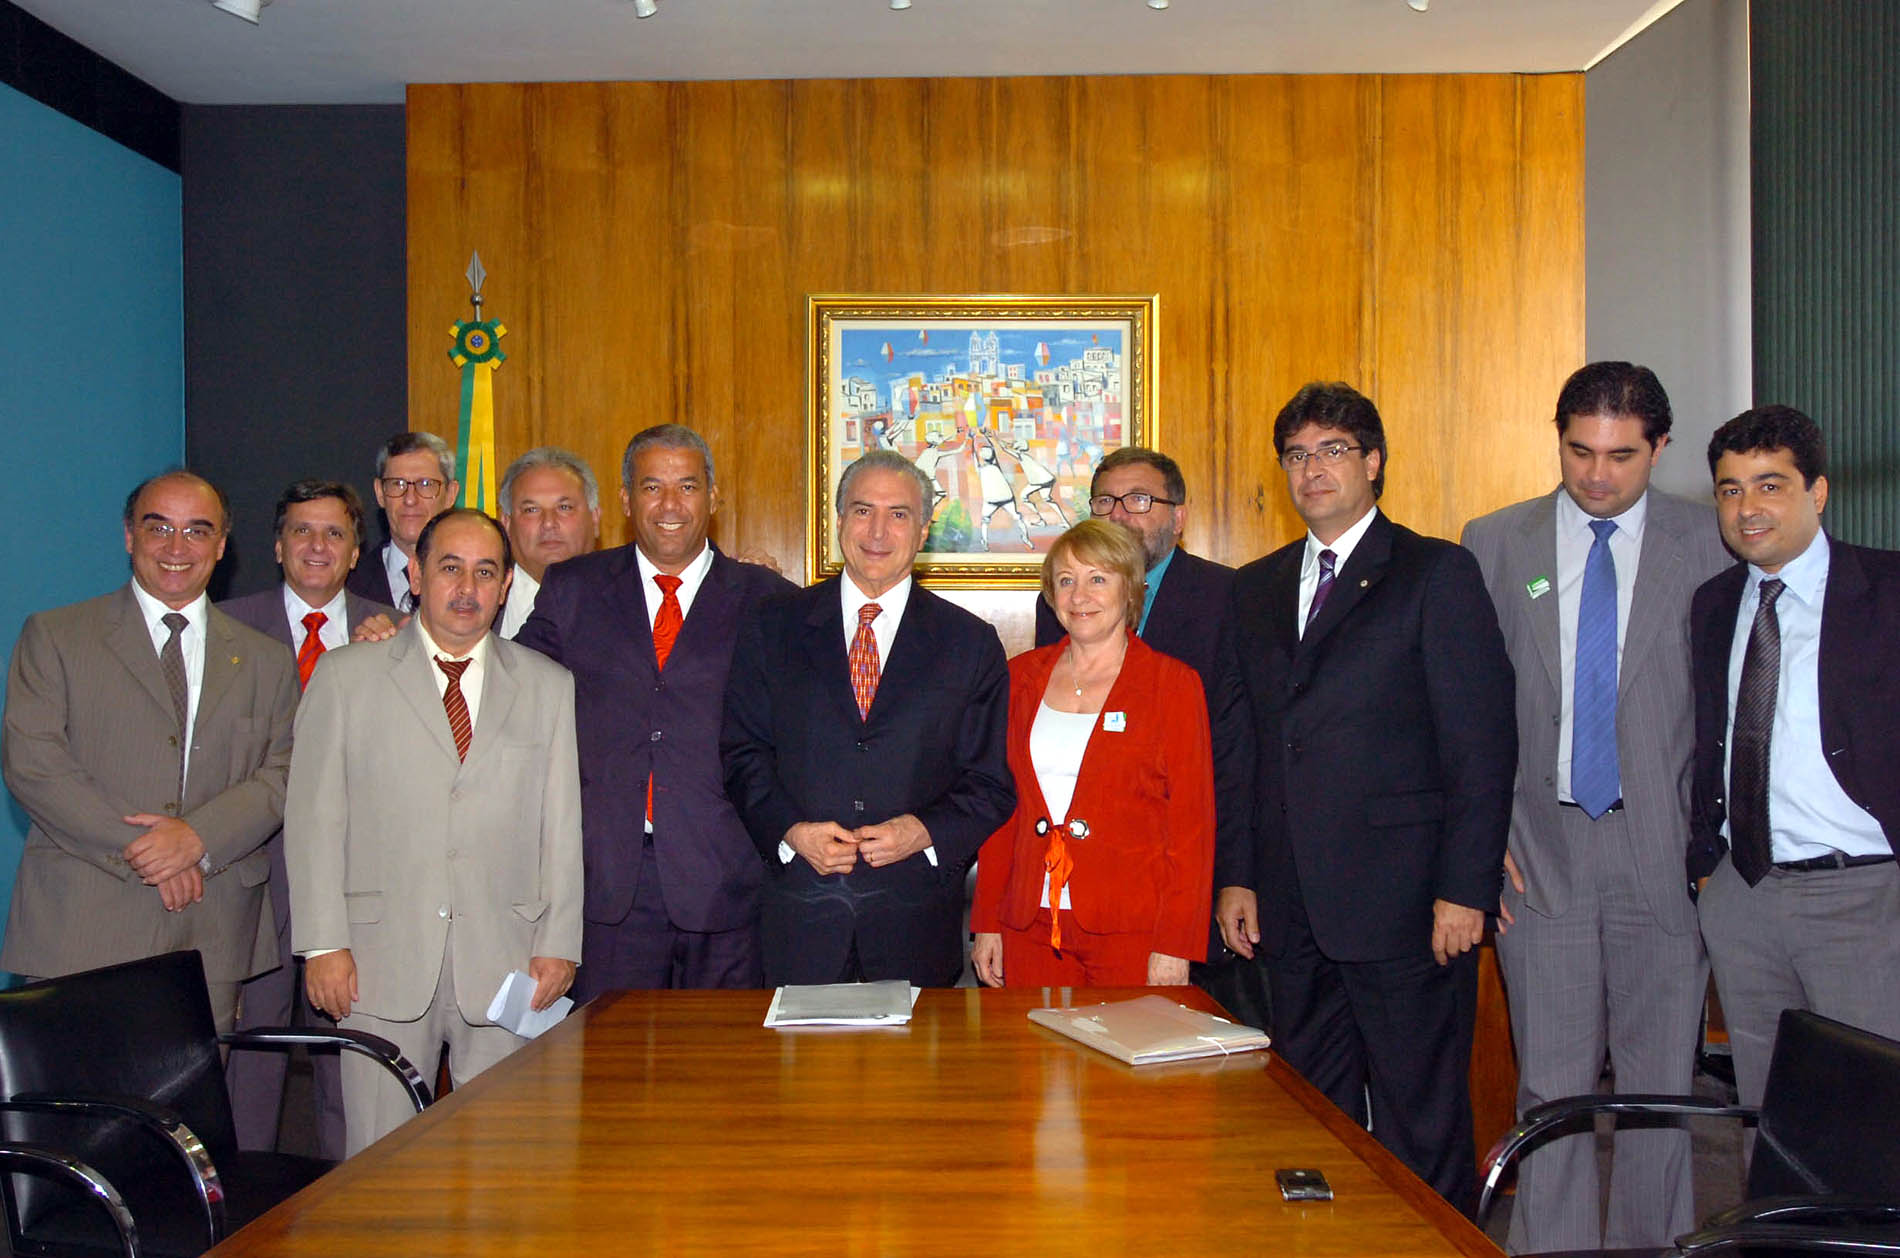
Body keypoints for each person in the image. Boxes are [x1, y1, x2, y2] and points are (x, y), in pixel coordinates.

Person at [1226, 382, 1515, 1213]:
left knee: (1419, 1121)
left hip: (1406, 906)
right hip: (1290, 908)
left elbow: (1481, 742)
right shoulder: (1257, 587)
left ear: (1374, 463)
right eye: (1297, 454)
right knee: (1308, 1122)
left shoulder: (1434, 572)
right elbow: (1246, 748)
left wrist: (1466, 889)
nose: (1313, 469)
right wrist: (1239, 876)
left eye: (1334, 450)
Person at [1461, 363, 1729, 1252]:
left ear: (1660, 447)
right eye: (1579, 451)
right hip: (1541, 857)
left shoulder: (1712, 541)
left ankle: (1657, 1247)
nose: (1597, 475)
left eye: (1621, 455)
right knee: (1553, 1090)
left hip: (1666, 856)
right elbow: (1470, 707)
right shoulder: (1496, 542)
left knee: (1664, 1091)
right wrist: (1481, 839)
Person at [287, 508, 582, 1153]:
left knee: (509, 1171)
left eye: (485, 572)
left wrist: (559, 942)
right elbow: (312, 822)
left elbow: (560, 826)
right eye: (450, 568)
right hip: (375, 965)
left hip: (509, 964)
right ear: (415, 574)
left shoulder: (548, 687)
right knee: (379, 1168)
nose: (467, 589)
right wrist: (322, 944)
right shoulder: (344, 678)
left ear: (507, 586)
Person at [1, 471, 299, 1033]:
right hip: (80, 927)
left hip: (209, 931)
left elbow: (284, 771)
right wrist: (148, 850)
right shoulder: (57, 636)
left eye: (196, 530)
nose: (176, 547)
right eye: (158, 526)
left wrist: (197, 839)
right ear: (128, 535)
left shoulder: (267, 660)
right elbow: (34, 765)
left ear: (222, 543)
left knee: (187, 1119)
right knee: (73, 1114)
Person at [515, 425, 793, 996]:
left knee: (718, 1075)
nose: (670, 505)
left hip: (727, 880)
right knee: (611, 1076)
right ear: (624, 499)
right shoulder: (573, 587)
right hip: (609, 881)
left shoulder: (768, 599)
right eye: (652, 487)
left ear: (713, 499)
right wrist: (412, 633)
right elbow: (507, 684)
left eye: (687, 487)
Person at [722, 450, 1015, 987]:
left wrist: (923, 831)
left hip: (914, 920)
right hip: (799, 914)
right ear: (838, 521)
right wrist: (790, 831)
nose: (878, 530)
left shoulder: (969, 644)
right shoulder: (771, 627)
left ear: (923, 529)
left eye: (898, 514)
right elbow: (742, 753)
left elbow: (989, 782)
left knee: (910, 1074)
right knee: (800, 1074)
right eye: (862, 510)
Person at [1688, 405, 1900, 1113]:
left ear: (1818, 492)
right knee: (1772, 1121)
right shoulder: (1714, 604)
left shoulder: (1888, 594)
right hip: (1745, 897)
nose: (1747, 508)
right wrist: (1705, 865)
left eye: (1770, 485)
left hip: (1863, 904)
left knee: (1872, 1127)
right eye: (1730, 489)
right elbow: (1705, 740)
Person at [1033, 446, 1257, 1024]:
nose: (1119, 515)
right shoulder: (1062, 603)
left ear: (1178, 517)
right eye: (1105, 501)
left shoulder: (1230, 597)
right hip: (1081, 891)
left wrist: (1235, 877)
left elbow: (1237, 751)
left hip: (1188, 879)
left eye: (1139, 500)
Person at [218, 479, 395, 1157]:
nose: (317, 546)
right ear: (276, 545)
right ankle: (245, 1209)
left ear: (355, 552)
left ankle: (350, 1205)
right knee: (252, 1056)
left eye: (333, 534)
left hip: (357, 881)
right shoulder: (227, 625)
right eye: (301, 531)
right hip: (253, 877)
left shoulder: (397, 634)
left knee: (347, 1057)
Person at [971, 518, 1213, 987]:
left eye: (1097, 579)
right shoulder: (1018, 678)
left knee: (1124, 1059)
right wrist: (986, 924)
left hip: (1133, 928)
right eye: (1066, 581)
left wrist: (1176, 945)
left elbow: (1191, 828)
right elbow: (1000, 812)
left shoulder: (1173, 685)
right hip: (1027, 923)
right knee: (1028, 1058)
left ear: (1130, 589)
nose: (1079, 596)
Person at [346, 431, 460, 612]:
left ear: (451, 494)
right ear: (380, 493)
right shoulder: (349, 584)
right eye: (397, 484)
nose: (410, 499)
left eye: (425, 484)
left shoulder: (478, 580)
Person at [497, 447, 601, 639]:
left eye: (564, 507)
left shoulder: (631, 600)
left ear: (594, 519)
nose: (549, 523)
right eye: (531, 510)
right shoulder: (480, 596)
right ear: (506, 524)